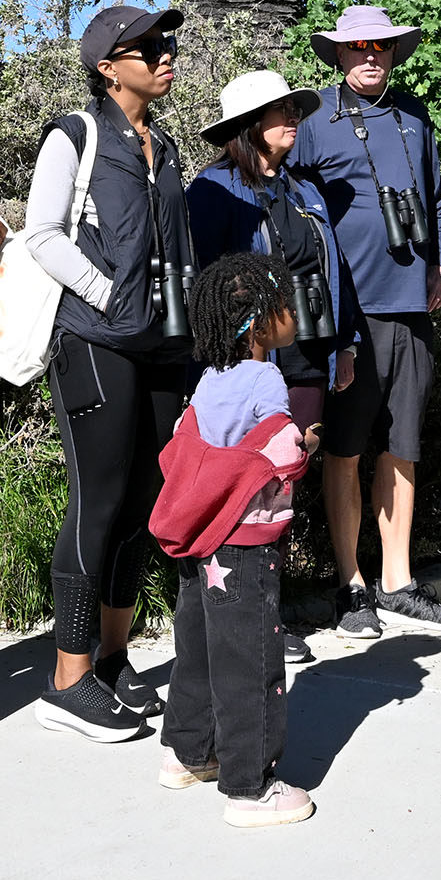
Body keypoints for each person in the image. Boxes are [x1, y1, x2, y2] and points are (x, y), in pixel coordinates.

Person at [20, 2, 196, 741]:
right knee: (101, 498)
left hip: (162, 345)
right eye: (147, 47)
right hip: (94, 339)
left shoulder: (168, 146)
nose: (164, 55)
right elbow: (42, 233)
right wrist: (107, 294)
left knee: (143, 502)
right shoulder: (76, 134)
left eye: (166, 44)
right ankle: (66, 679)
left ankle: (113, 659)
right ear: (105, 64)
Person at [293, 2, 441, 638]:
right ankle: (350, 586)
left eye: (382, 48)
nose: (371, 56)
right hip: (348, 315)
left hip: (411, 306)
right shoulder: (312, 119)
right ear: (340, 54)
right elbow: (295, 207)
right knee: (342, 449)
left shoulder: (414, 118)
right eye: (359, 47)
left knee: (402, 446)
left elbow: (437, 199)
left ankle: (397, 582)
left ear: (394, 54)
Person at [185, 67, 361, 665]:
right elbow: (204, 285)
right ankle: (248, 616)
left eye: (294, 110)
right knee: (246, 487)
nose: (292, 119)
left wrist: (344, 347)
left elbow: (333, 273)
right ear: (248, 126)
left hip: (308, 359)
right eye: (280, 110)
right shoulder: (213, 191)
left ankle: (270, 612)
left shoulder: (304, 192)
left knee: (285, 484)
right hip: (250, 365)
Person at [146, 250, 320, 829]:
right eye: (286, 306)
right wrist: (307, 443)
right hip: (245, 540)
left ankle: (189, 754)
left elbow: (186, 437)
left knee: (197, 646)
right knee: (251, 653)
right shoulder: (265, 376)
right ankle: (251, 785)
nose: (294, 315)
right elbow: (281, 448)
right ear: (259, 322)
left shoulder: (209, 378)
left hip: (203, 541)